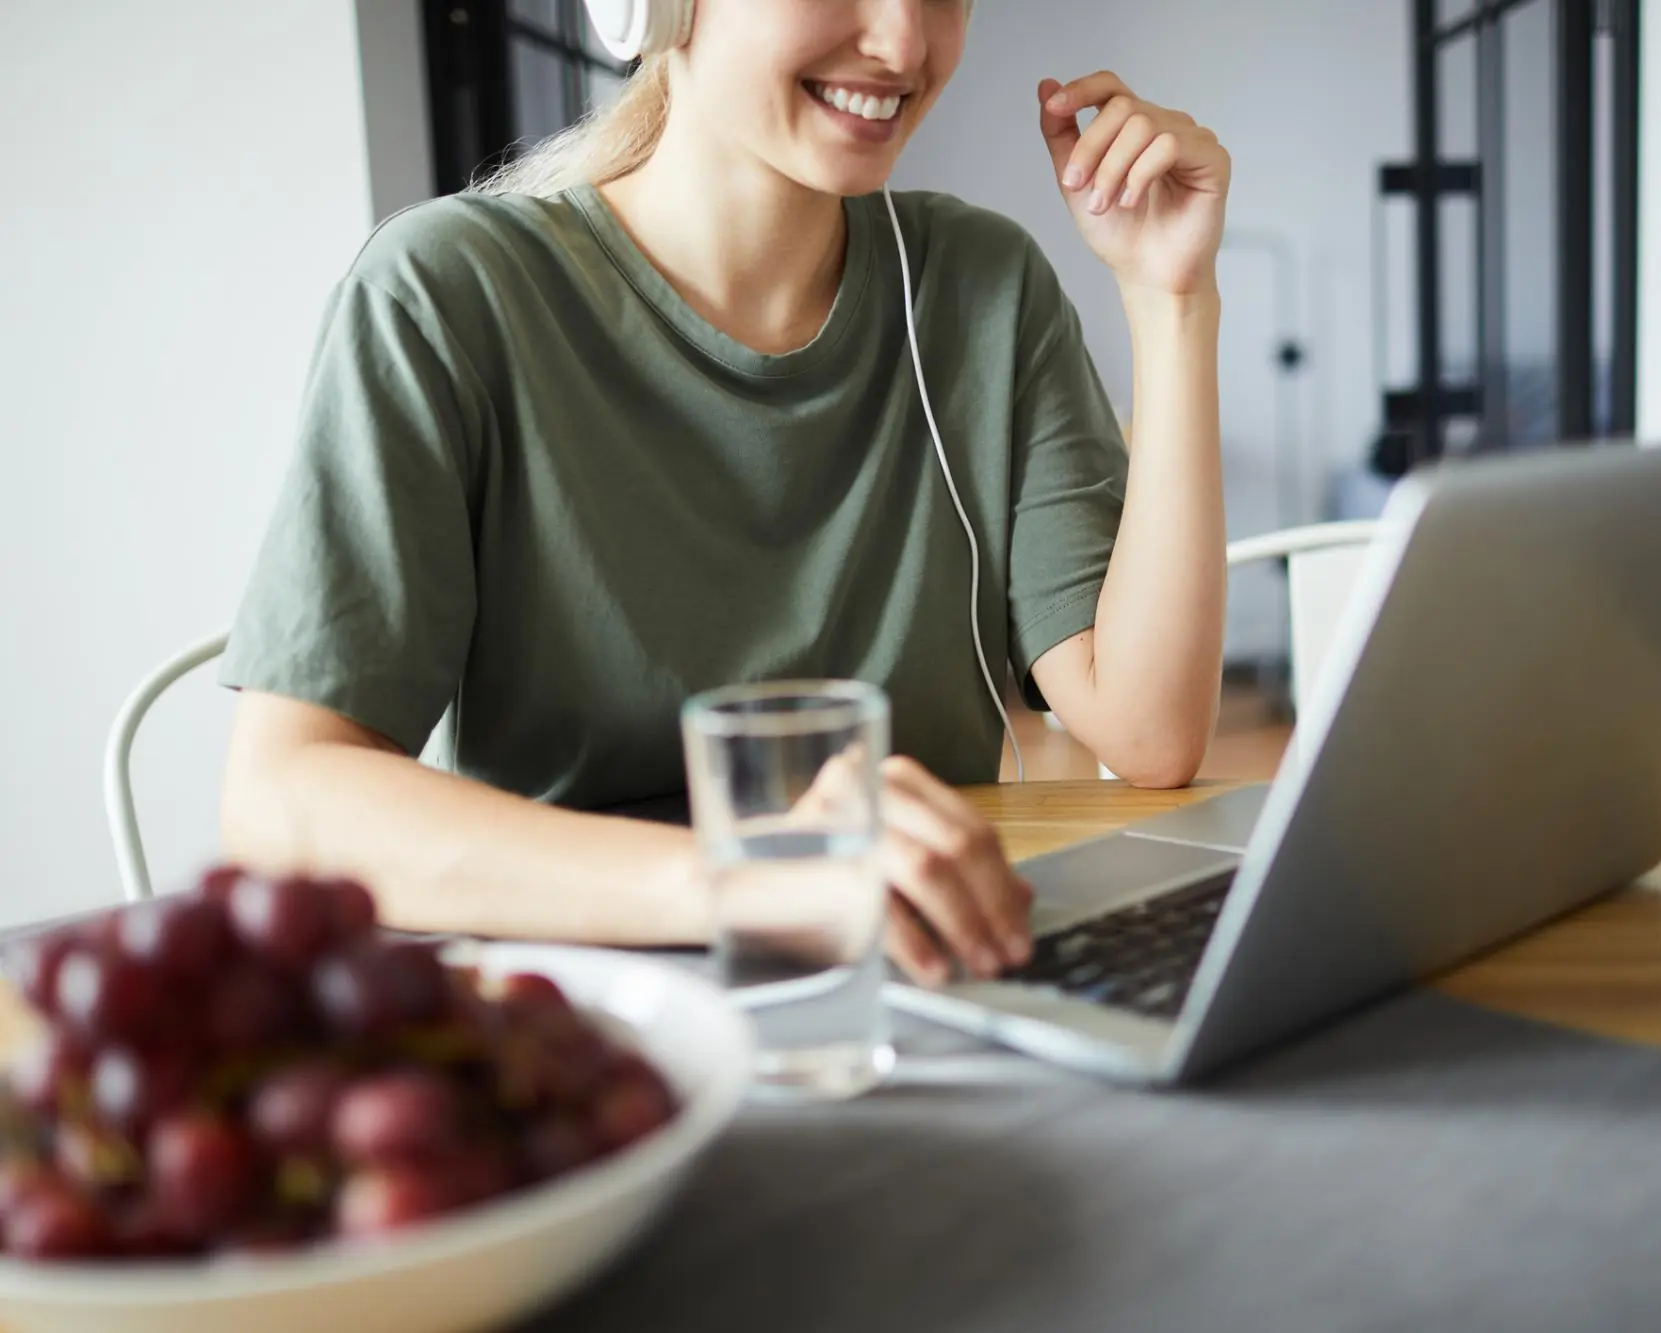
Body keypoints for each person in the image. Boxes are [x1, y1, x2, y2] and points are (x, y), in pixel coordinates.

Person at [217, 0, 1230, 987]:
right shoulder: (449, 295)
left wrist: (1170, 298)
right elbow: (282, 804)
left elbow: (1147, 731)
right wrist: (747, 883)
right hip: (589, 1010)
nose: (903, 40)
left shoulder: (978, 285)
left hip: (923, 976)